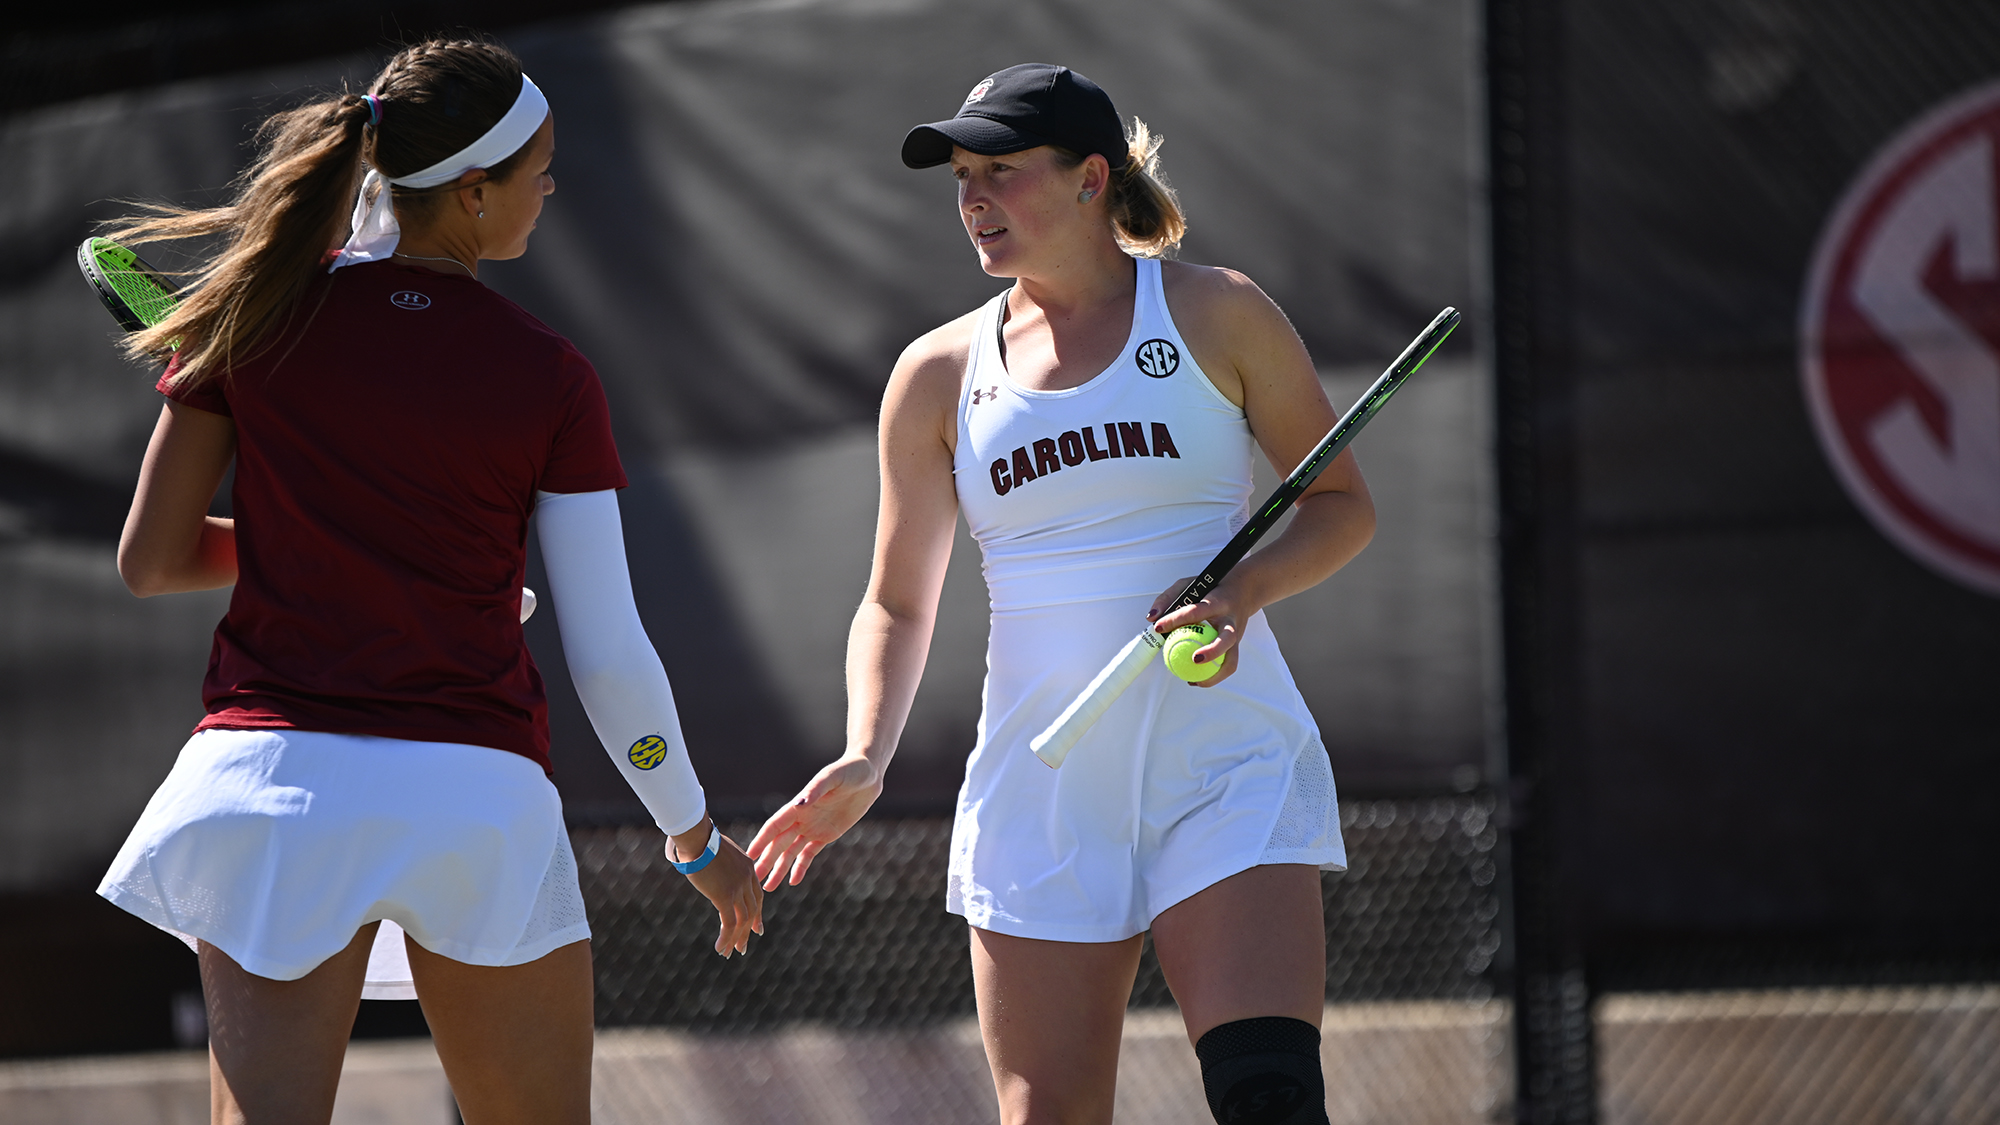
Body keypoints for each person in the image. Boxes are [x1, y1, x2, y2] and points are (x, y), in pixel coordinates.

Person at [97, 39, 761, 1125]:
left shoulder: (254, 318)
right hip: (469, 802)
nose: (548, 195)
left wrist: (325, 547)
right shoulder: (551, 375)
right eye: (536, 175)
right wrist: (691, 836)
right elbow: (607, 654)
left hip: (270, 793)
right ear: (471, 190)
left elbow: (153, 560)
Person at [750, 64, 1374, 1125]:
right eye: (959, 177)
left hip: (1222, 765)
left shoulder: (1214, 312)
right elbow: (896, 603)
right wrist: (865, 751)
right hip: (1040, 794)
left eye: (999, 169)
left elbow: (1340, 506)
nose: (972, 199)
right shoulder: (938, 373)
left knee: (1270, 1099)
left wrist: (1241, 592)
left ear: (1092, 179)